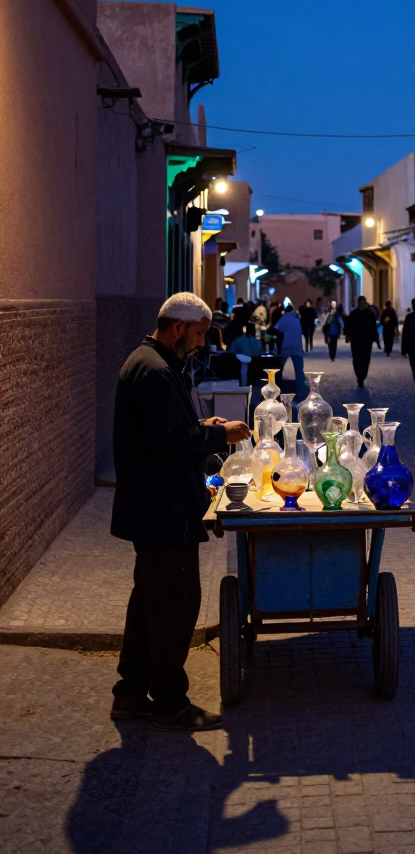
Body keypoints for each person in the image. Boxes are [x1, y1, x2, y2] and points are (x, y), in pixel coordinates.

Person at [110, 292, 250, 731]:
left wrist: (203, 428)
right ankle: (171, 702)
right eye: (199, 334)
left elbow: (170, 430)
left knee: (149, 604)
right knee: (174, 608)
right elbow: (171, 443)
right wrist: (219, 436)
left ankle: (131, 694)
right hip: (164, 512)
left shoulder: (152, 363)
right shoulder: (153, 372)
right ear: (177, 328)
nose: (200, 343)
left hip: (156, 508)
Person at [345, 295, 380, 388]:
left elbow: (373, 327)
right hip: (356, 341)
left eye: (364, 303)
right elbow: (348, 325)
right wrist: (348, 336)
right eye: (361, 303)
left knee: (365, 360)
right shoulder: (353, 314)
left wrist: (375, 339)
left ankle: (362, 377)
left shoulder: (370, 314)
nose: (362, 304)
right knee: (356, 360)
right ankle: (359, 377)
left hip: (366, 341)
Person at [276, 304, 306, 398]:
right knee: (299, 370)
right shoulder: (296, 319)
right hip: (297, 347)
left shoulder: (284, 318)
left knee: (279, 368)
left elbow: (277, 328)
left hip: (286, 346)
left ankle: (277, 388)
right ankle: (301, 390)